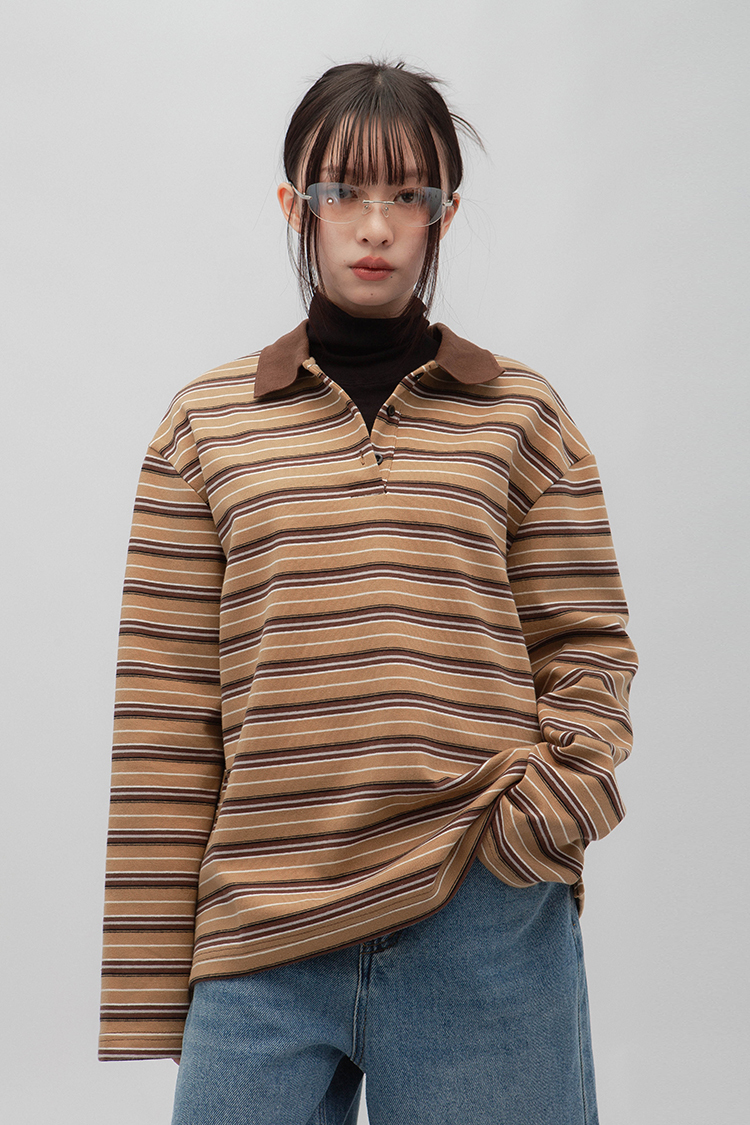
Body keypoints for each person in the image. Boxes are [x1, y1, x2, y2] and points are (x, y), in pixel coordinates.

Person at [99, 60, 637, 1125]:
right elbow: (165, 713)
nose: (376, 225)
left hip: (478, 907)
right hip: (262, 925)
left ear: (445, 215)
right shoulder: (204, 425)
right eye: (345, 191)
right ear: (295, 205)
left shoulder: (521, 414)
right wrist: (161, 993)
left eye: (408, 194)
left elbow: (587, 647)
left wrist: (539, 823)